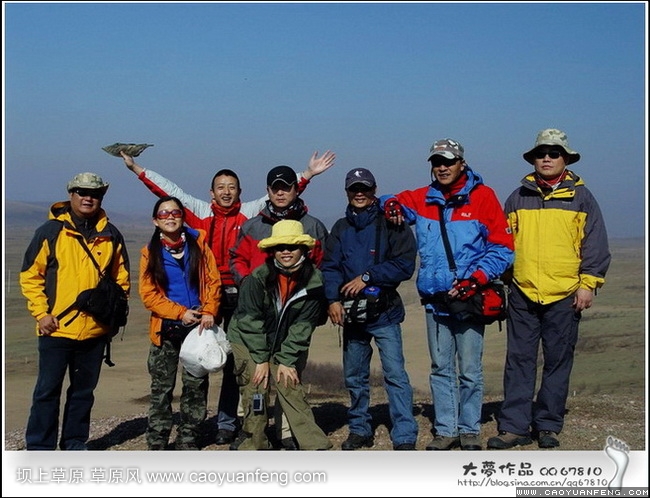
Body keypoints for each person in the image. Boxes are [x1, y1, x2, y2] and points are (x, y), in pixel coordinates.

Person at [120, 149, 334, 446]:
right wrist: (137, 169)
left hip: (246, 298)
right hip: (208, 298)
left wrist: (308, 174)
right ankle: (200, 427)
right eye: (220, 187)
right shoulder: (198, 211)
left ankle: (230, 424)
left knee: (240, 363)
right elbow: (169, 192)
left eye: (231, 187)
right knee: (204, 357)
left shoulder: (249, 212)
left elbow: (282, 194)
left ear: (240, 192)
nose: (226, 192)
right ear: (211, 192)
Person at [380, 139, 514, 451]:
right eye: (437, 162)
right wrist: (390, 205)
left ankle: (469, 430)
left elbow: (503, 248)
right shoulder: (422, 198)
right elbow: (390, 198)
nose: (442, 167)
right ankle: (445, 429)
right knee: (440, 368)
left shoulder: (483, 198)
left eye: (449, 161)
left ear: (462, 164)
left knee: (469, 369)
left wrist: (476, 280)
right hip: (435, 297)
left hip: (469, 297)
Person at [487, 128, 611, 450]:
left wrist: (588, 285)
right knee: (519, 360)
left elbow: (595, 246)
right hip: (523, 293)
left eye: (554, 153)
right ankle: (514, 426)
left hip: (565, 294)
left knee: (557, 361)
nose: (547, 158)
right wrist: (502, 280)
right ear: (533, 158)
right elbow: (504, 244)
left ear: (566, 159)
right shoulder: (517, 197)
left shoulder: (582, 198)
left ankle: (547, 425)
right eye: (541, 153)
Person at [20, 172, 130, 450]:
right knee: (47, 392)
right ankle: (40, 449)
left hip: (95, 330)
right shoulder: (51, 231)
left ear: (101, 197)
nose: (87, 197)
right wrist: (41, 314)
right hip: (56, 327)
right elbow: (30, 276)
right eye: (81, 192)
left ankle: (74, 443)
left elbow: (121, 281)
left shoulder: (111, 234)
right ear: (71, 194)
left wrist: (112, 315)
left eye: (94, 193)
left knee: (83, 393)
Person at [229, 164, 331, 449]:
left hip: (286, 332)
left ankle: (308, 442)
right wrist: (261, 359)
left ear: (304, 249)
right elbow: (250, 323)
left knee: (289, 379)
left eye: (292, 246)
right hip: (250, 336)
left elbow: (303, 325)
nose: (286, 251)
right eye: (280, 247)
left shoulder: (313, 281)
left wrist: (284, 360)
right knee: (256, 382)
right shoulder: (256, 279)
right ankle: (254, 441)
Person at [321, 168, 419, 451]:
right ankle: (359, 428)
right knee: (354, 376)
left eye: (365, 187)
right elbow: (330, 267)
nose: (360, 193)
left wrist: (368, 277)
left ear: (374, 189)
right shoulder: (340, 228)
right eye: (354, 188)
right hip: (352, 315)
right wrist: (332, 300)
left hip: (385, 312)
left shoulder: (393, 222)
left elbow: (404, 264)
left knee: (395, 374)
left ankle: (403, 433)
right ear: (347, 192)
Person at [139, 196, 221, 450]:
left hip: (198, 326)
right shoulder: (149, 252)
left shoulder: (199, 245)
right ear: (155, 220)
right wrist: (179, 313)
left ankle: (189, 436)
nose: (170, 217)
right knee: (162, 388)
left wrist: (209, 311)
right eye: (163, 214)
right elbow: (148, 294)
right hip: (165, 329)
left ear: (183, 217)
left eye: (175, 212)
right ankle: (158, 438)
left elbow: (213, 281)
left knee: (195, 386)